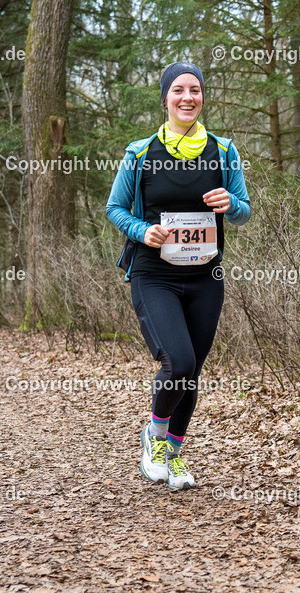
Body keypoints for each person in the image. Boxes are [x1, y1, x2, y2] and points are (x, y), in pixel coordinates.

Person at [106, 62, 251, 490]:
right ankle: (154, 437)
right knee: (179, 361)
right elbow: (115, 208)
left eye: (195, 90)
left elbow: (243, 211)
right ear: (165, 98)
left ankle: (174, 453)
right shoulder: (139, 153)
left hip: (206, 277)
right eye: (179, 90)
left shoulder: (224, 151)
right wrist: (142, 230)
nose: (188, 97)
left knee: (192, 372)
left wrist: (231, 204)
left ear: (203, 96)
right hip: (154, 274)